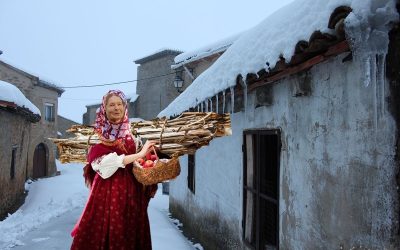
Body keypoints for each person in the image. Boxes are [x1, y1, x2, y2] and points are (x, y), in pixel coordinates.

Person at [71, 90, 158, 250]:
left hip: (133, 195)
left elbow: (139, 159)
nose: (116, 108)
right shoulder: (99, 135)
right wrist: (139, 154)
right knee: (108, 232)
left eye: (119, 104)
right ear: (104, 108)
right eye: (111, 104)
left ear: (125, 107)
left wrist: (148, 163)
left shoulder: (131, 134)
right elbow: (102, 164)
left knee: (130, 233)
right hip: (107, 195)